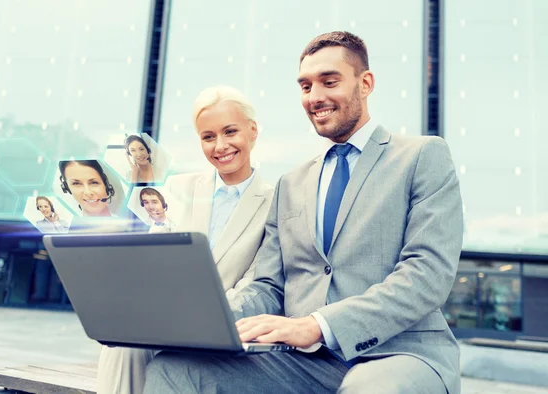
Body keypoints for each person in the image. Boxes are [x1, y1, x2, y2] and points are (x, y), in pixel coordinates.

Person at [142, 31, 464, 394]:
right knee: (173, 369)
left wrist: (317, 324)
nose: (315, 97)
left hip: (400, 355)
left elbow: (426, 275)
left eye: (330, 82)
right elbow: (268, 285)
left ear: (366, 83)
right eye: (306, 86)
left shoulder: (422, 156)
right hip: (303, 361)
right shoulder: (291, 184)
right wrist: (203, 318)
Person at [96, 85, 275, 393]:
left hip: (225, 327)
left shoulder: (276, 201)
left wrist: (200, 316)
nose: (220, 146)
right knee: (123, 344)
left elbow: (258, 282)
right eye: (208, 137)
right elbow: (153, 261)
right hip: (162, 318)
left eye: (230, 132)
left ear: (253, 131)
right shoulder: (178, 189)